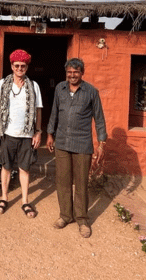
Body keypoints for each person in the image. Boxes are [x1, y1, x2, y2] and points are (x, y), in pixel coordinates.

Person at [46, 58, 107, 238]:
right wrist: (50, 133)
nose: (72, 75)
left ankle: (82, 219)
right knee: (63, 181)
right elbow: (54, 112)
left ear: (82, 73)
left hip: (82, 143)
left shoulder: (91, 92)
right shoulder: (60, 88)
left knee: (81, 183)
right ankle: (65, 215)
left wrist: (101, 143)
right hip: (62, 142)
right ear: (66, 73)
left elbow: (100, 119)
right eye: (69, 72)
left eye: (76, 72)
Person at [0, 49, 43, 218]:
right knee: (6, 166)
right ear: (11, 66)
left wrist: (38, 131)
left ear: (27, 67)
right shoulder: (3, 84)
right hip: (7, 133)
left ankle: (25, 201)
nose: (20, 68)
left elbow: (38, 109)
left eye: (23, 66)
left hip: (26, 134)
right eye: (17, 65)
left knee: (24, 168)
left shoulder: (33, 86)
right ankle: (4, 197)